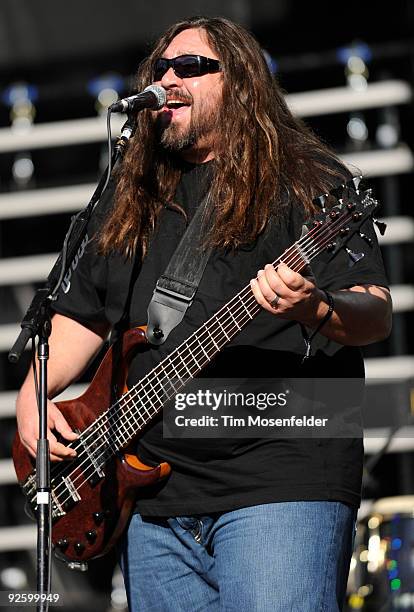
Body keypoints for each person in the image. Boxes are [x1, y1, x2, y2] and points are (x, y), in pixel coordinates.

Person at [16, 16, 392, 612]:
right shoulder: (130, 194)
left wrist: (314, 305)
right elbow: (82, 316)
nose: (169, 78)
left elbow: (374, 315)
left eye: (191, 67)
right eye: (161, 68)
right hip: (156, 503)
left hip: (280, 481)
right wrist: (33, 400)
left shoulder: (306, 180)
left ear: (240, 82)